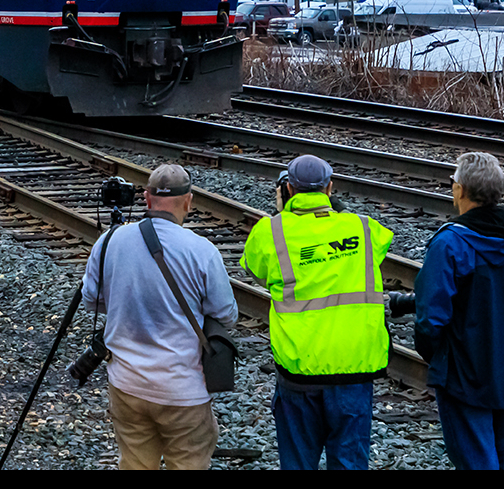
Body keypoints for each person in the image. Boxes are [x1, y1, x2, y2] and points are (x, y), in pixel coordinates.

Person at [240, 155, 401, 470]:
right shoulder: (363, 228)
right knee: (350, 462)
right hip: (354, 369)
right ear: (330, 187)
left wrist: (284, 212)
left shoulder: (270, 231)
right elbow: (382, 243)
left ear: (288, 189)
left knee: (298, 463)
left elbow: (255, 271)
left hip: (300, 371)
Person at [81, 164, 238, 470]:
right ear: (188, 201)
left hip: (127, 384)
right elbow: (226, 314)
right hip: (182, 390)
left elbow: (91, 300)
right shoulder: (201, 250)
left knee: (135, 464)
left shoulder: (110, 240)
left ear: (147, 198)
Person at [413, 152, 504, 470]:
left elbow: (430, 317)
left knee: (474, 454)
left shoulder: (450, 243)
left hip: (464, 369)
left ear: (460, 190)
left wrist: (437, 356)